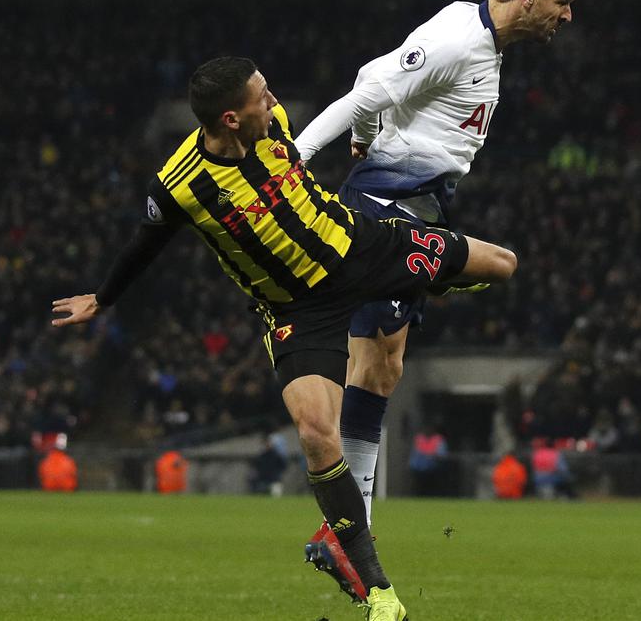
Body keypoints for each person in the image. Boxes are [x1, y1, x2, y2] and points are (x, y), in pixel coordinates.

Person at [51, 57, 517, 620]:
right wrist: (103, 298)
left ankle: (426, 282)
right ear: (230, 118)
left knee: (502, 265)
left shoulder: (274, 128)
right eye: (262, 97)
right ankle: (379, 593)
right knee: (317, 433)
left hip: (357, 247)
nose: (273, 104)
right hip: (297, 311)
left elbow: (354, 104)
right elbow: (145, 243)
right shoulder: (180, 185)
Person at [293, 0, 589, 530]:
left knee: (385, 367)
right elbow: (365, 91)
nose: (568, 13)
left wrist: (365, 136)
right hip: (385, 205)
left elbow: (375, 79)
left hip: (423, 208)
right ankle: (349, 526)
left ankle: (349, 525)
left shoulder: (486, 44)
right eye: (562, 0)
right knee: (378, 358)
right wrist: (296, 158)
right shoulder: (458, 39)